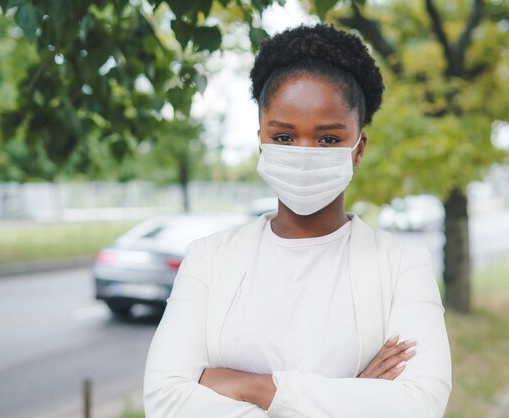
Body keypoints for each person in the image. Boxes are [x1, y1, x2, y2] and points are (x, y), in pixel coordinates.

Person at [143, 24, 451, 417]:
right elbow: (165, 401)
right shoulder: (208, 258)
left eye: (328, 139)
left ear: (358, 149)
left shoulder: (402, 265)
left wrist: (254, 387)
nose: (305, 152)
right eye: (285, 137)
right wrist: (352, 397)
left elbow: (418, 406)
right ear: (261, 140)